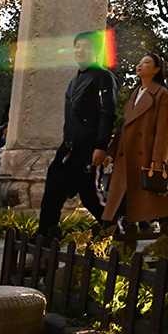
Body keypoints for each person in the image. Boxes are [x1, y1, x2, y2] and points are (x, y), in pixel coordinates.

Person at [38, 32, 117, 237]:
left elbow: (107, 113)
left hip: (89, 147)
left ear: (97, 51)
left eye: (86, 47)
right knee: (52, 193)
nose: (80, 51)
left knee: (92, 197)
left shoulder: (103, 77)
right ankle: (45, 241)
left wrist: (101, 146)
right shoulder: (75, 81)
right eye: (77, 46)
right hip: (69, 146)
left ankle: (120, 238)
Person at [101, 54, 168, 236]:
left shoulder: (162, 94)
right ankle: (106, 252)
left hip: (148, 161)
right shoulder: (135, 94)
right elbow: (123, 128)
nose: (140, 65)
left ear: (156, 70)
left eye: (146, 62)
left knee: (167, 214)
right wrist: (111, 153)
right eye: (139, 62)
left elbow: (164, 131)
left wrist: (157, 160)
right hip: (127, 163)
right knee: (110, 214)